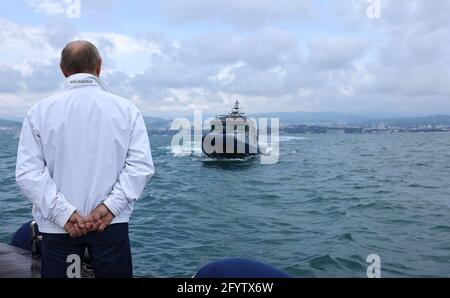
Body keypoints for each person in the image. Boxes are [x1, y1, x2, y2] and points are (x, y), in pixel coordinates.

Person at [15, 40, 155, 278]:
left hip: (59, 227)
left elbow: (28, 173)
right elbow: (140, 167)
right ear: (99, 66)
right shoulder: (127, 110)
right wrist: (109, 208)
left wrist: (65, 214)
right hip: (110, 224)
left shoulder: (39, 112)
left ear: (62, 69)